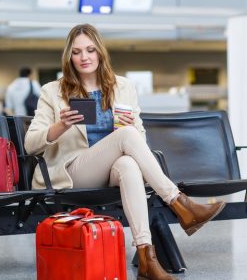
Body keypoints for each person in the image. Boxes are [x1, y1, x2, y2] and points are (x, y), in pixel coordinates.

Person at [24, 24, 226, 280]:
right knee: (127, 138)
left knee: (129, 164)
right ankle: (180, 203)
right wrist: (61, 125)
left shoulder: (123, 87)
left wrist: (130, 128)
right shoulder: (53, 91)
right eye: (76, 52)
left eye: (90, 50)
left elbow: (138, 137)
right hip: (73, 172)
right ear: (69, 56)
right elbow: (31, 144)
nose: (84, 57)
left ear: (100, 53)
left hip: (112, 169)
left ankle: (146, 257)